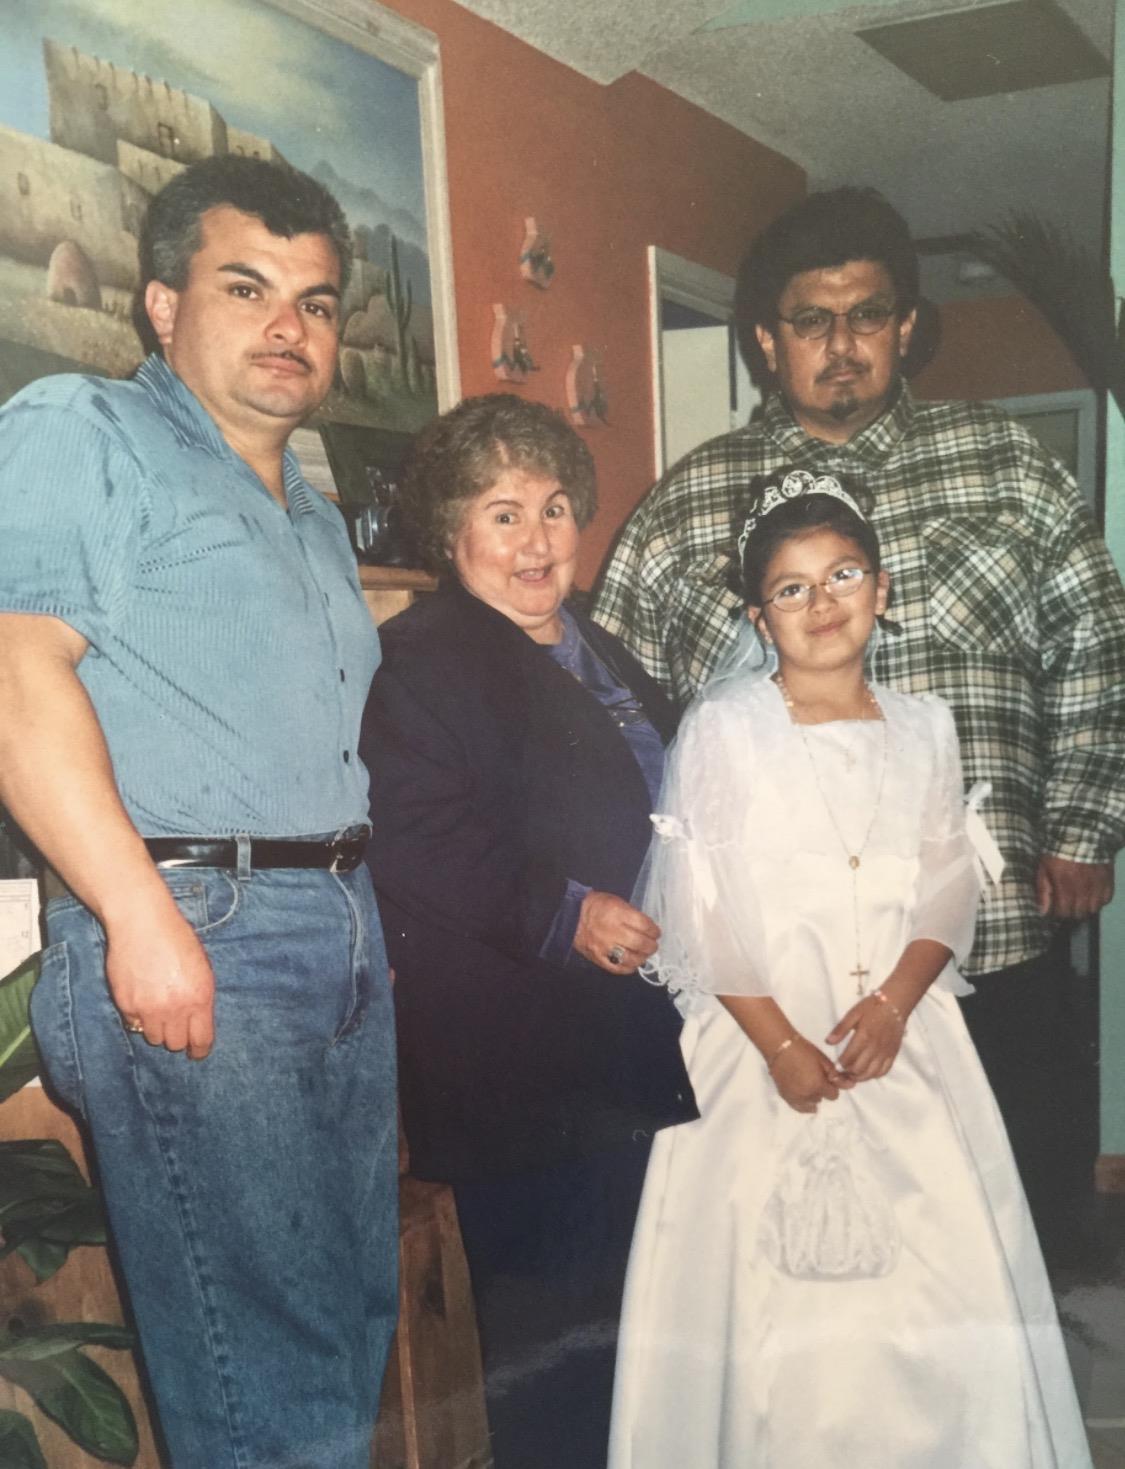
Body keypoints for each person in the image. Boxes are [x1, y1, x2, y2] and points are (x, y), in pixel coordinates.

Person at [594, 186, 1125, 1214]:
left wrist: (1086, 826)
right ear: (764, 341)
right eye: (811, 320)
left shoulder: (1009, 466)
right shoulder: (686, 504)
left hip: (986, 928)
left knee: (1003, 1216)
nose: (841, 344)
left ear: (908, 328)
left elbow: (1098, 646)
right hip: (775, 969)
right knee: (792, 1241)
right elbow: (618, 698)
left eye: (868, 315)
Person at [0, 156, 397, 1469]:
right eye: (250, 288)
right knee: (265, 1381)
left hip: (337, 926)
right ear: (163, 307)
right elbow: (15, 674)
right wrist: (135, 915)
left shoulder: (314, 514)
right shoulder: (81, 428)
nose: (293, 326)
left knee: (342, 1334)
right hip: (197, 926)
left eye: (319, 302)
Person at [607, 469, 1091, 1468]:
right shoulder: (727, 725)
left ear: (880, 589)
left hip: (897, 1031)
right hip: (762, 1035)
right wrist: (782, 1043)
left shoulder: (926, 724)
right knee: (772, 1309)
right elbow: (699, 907)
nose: (822, 604)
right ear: (757, 613)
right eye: (791, 588)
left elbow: (948, 883)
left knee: (934, 1288)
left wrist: (896, 1001)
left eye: (842, 575)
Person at [360, 393, 696, 1469]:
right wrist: (567, 913)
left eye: (554, 508)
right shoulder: (422, 655)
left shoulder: (594, 633)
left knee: (636, 1325)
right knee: (556, 1345)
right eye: (502, 513)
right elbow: (415, 834)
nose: (536, 540)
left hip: (625, 1039)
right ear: (451, 528)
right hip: (525, 1056)